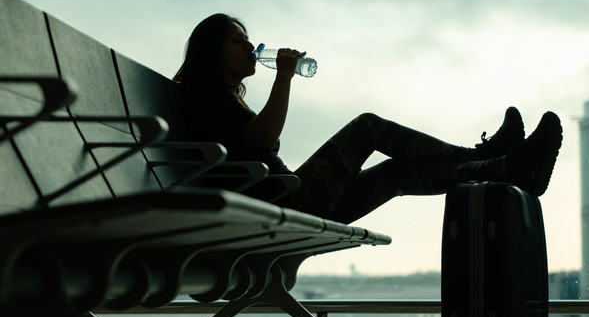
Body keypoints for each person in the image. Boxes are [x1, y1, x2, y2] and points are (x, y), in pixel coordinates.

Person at [174, 13, 562, 224]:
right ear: (212, 52)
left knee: (397, 173)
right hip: (279, 206)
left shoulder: (223, 99)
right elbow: (262, 138)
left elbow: (259, 140)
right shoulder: (208, 97)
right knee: (367, 127)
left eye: (246, 39)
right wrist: (284, 76)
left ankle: (507, 167)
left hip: (289, 201)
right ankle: (492, 154)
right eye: (235, 40)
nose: (247, 46)